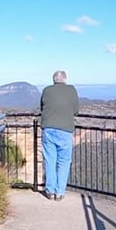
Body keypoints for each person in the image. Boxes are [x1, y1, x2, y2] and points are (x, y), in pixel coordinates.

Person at [40, 69, 79, 201]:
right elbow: (76, 110)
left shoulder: (46, 90)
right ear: (65, 79)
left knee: (50, 161)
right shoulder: (71, 89)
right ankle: (59, 192)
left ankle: (50, 191)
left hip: (48, 130)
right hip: (65, 130)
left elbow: (42, 107)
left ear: (54, 80)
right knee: (63, 161)